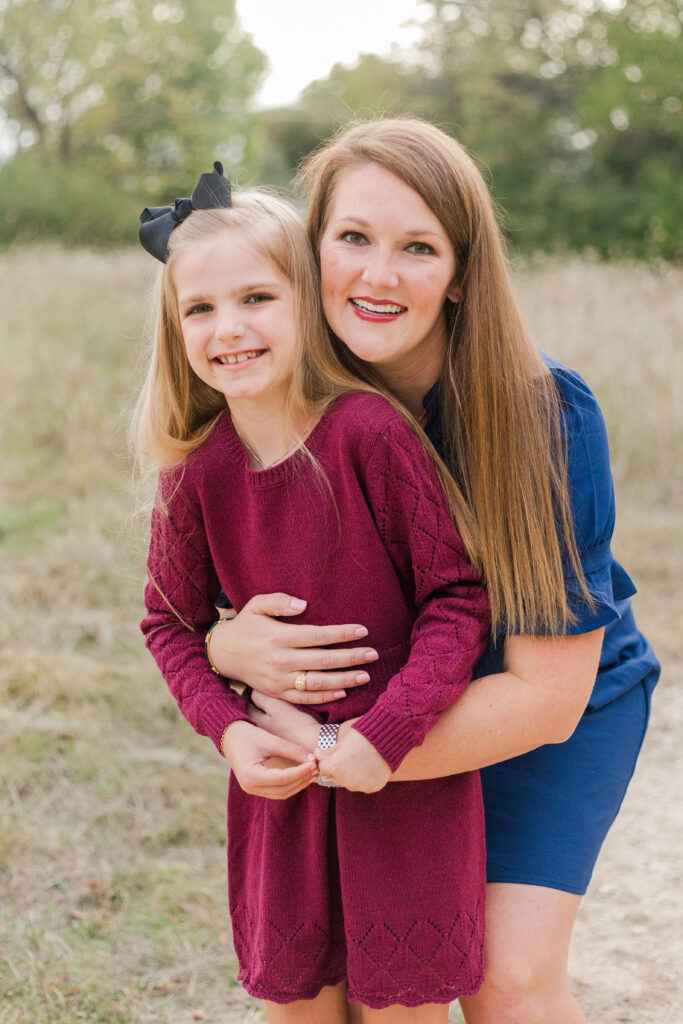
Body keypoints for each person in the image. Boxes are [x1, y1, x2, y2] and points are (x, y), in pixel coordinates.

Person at [205, 120, 661, 1024]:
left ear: (459, 274)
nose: (378, 276)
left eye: (418, 247)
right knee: (343, 979)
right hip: (380, 708)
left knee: (503, 977)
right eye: (353, 239)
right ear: (311, 249)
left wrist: (339, 756)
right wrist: (225, 636)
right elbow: (221, 578)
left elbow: (545, 695)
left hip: (535, 711)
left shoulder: (538, 411)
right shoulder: (284, 388)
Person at [136, 163, 492, 1022]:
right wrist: (226, 731)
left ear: (306, 303)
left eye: (257, 298)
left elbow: (457, 599)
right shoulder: (196, 478)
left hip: (398, 795)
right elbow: (168, 624)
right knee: (296, 1010)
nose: (229, 328)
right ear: (175, 327)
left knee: (399, 1009)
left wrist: (388, 732)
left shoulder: (368, 435)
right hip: (282, 805)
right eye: (200, 309)